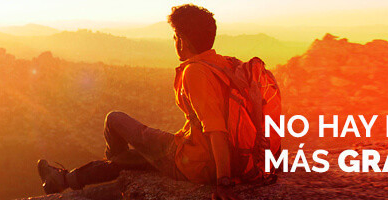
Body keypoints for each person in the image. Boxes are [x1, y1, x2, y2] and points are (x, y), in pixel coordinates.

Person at [35, 4, 246, 200]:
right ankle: (65, 179)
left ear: (182, 39)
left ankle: (112, 173)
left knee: (114, 120)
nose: (174, 42)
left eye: (175, 36)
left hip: (195, 163)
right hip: (204, 153)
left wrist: (223, 182)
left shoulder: (195, 72)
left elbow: (216, 129)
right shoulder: (223, 64)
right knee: (141, 156)